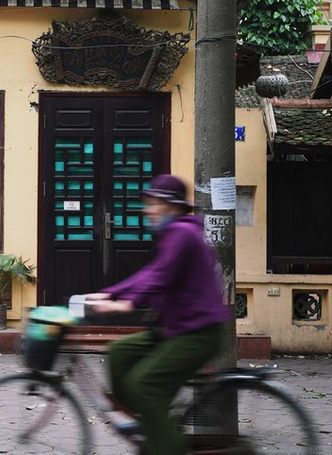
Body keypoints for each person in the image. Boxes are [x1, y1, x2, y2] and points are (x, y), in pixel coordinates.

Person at [86, 174, 230, 455]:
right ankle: (153, 423)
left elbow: (160, 278)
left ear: (172, 206)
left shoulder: (183, 235)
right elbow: (149, 274)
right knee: (118, 353)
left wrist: (126, 304)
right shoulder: (172, 235)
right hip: (172, 328)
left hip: (195, 333)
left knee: (144, 386)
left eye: (154, 204)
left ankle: (163, 440)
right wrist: (111, 293)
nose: (147, 210)